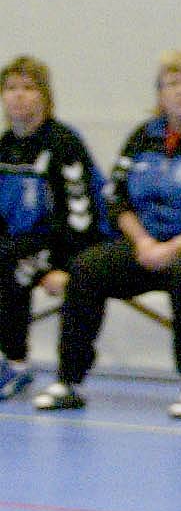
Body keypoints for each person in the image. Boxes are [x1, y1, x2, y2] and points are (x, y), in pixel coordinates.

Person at [34, 50, 181, 418]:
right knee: (87, 269)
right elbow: (116, 197)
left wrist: (173, 247)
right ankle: (69, 381)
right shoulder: (145, 136)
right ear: (160, 95)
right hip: (145, 243)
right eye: (172, 84)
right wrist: (141, 241)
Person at [0, 56, 109, 400]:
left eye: (28, 89)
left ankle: (16, 363)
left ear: (45, 96)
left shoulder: (63, 144)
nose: (19, 96)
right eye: (11, 89)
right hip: (16, 242)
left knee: (8, 268)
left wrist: (65, 266)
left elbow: (81, 215)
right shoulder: (5, 146)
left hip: (59, 244)